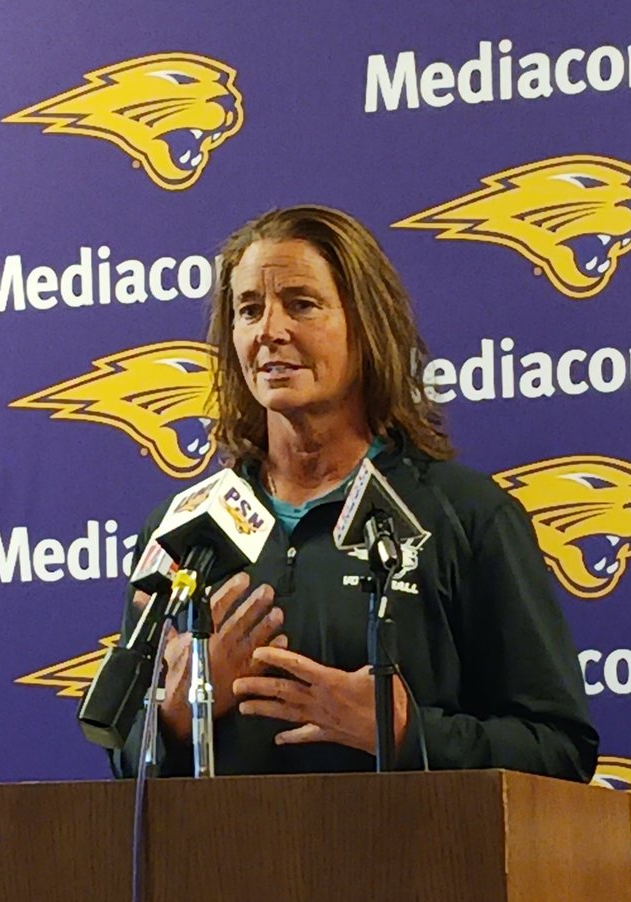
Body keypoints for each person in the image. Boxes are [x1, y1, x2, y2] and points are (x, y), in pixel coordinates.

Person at [114, 205, 598, 780]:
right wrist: (178, 711)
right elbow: (124, 760)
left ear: (366, 326)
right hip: (226, 868)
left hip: (415, 865)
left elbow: (559, 750)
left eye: (301, 303)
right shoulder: (182, 529)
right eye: (249, 310)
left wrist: (403, 732)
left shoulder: (465, 516)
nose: (270, 330)